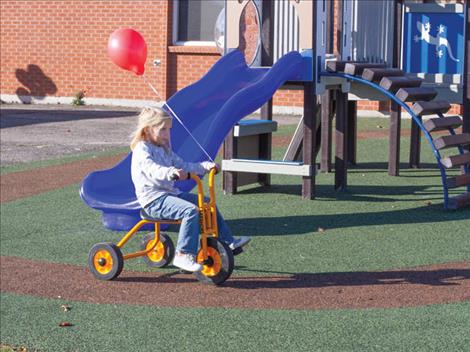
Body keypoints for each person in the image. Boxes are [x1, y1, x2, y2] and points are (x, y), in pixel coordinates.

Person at [130, 107, 251, 272]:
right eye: (162, 129)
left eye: (169, 129)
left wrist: (204, 166)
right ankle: (183, 254)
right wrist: (170, 173)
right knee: (190, 211)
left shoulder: (165, 150)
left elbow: (184, 165)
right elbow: (152, 169)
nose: (167, 134)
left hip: (170, 194)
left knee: (207, 204)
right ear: (147, 129)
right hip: (153, 200)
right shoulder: (142, 149)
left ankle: (228, 242)